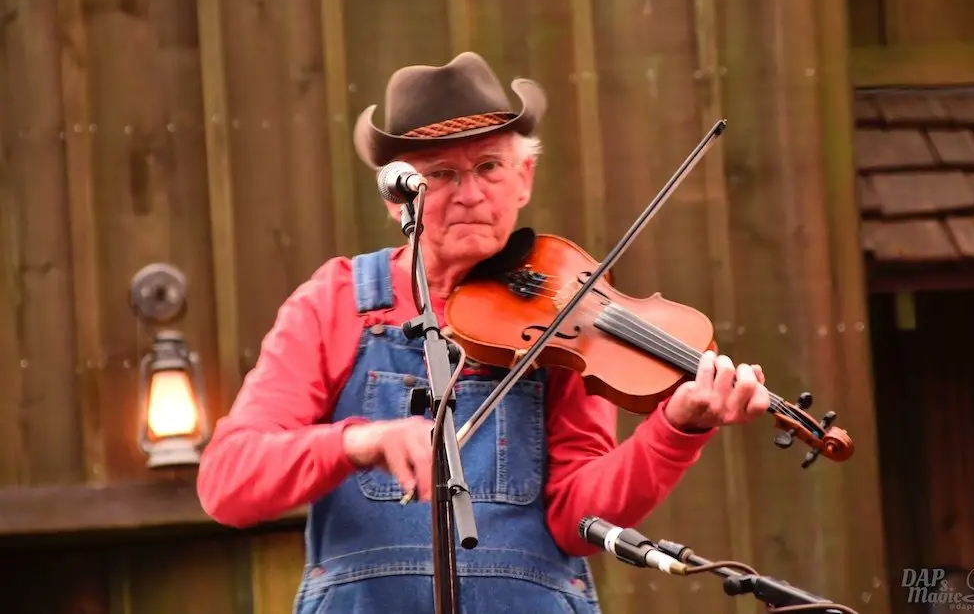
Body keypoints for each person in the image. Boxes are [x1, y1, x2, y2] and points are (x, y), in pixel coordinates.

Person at [196, 52, 771, 614]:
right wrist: (359, 443)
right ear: (398, 197)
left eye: (489, 167)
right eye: (440, 174)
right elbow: (229, 483)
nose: (470, 194)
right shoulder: (337, 301)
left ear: (524, 178)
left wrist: (676, 429)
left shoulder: (567, 311)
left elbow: (576, 519)